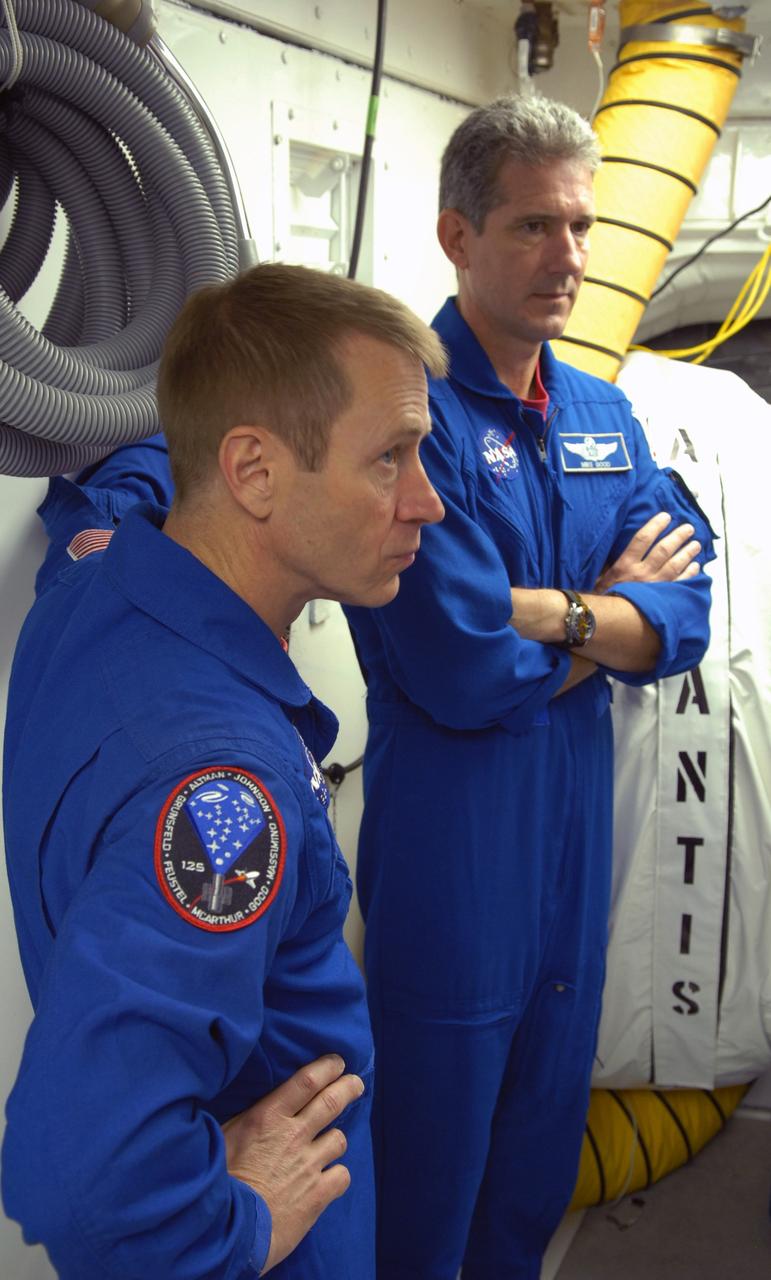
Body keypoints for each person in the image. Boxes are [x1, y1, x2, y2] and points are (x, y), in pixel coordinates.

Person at [1, 263, 446, 1280]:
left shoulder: (88, 583)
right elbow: (83, 1175)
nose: (429, 502)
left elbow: (127, 491)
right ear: (250, 472)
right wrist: (237, 1220)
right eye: (391, 458)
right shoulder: (223, 790)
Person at [344, 95, 716, 1279]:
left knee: (535, 1162)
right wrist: (604, 620)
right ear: (457, 235)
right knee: (430, 1174)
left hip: (569, 859)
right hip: (453, 864)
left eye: (582, 225)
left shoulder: (603, 411)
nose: (569, 258)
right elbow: (457, 661)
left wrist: (546, 613)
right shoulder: (410, 414)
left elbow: (687, 606)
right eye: (533, 227)